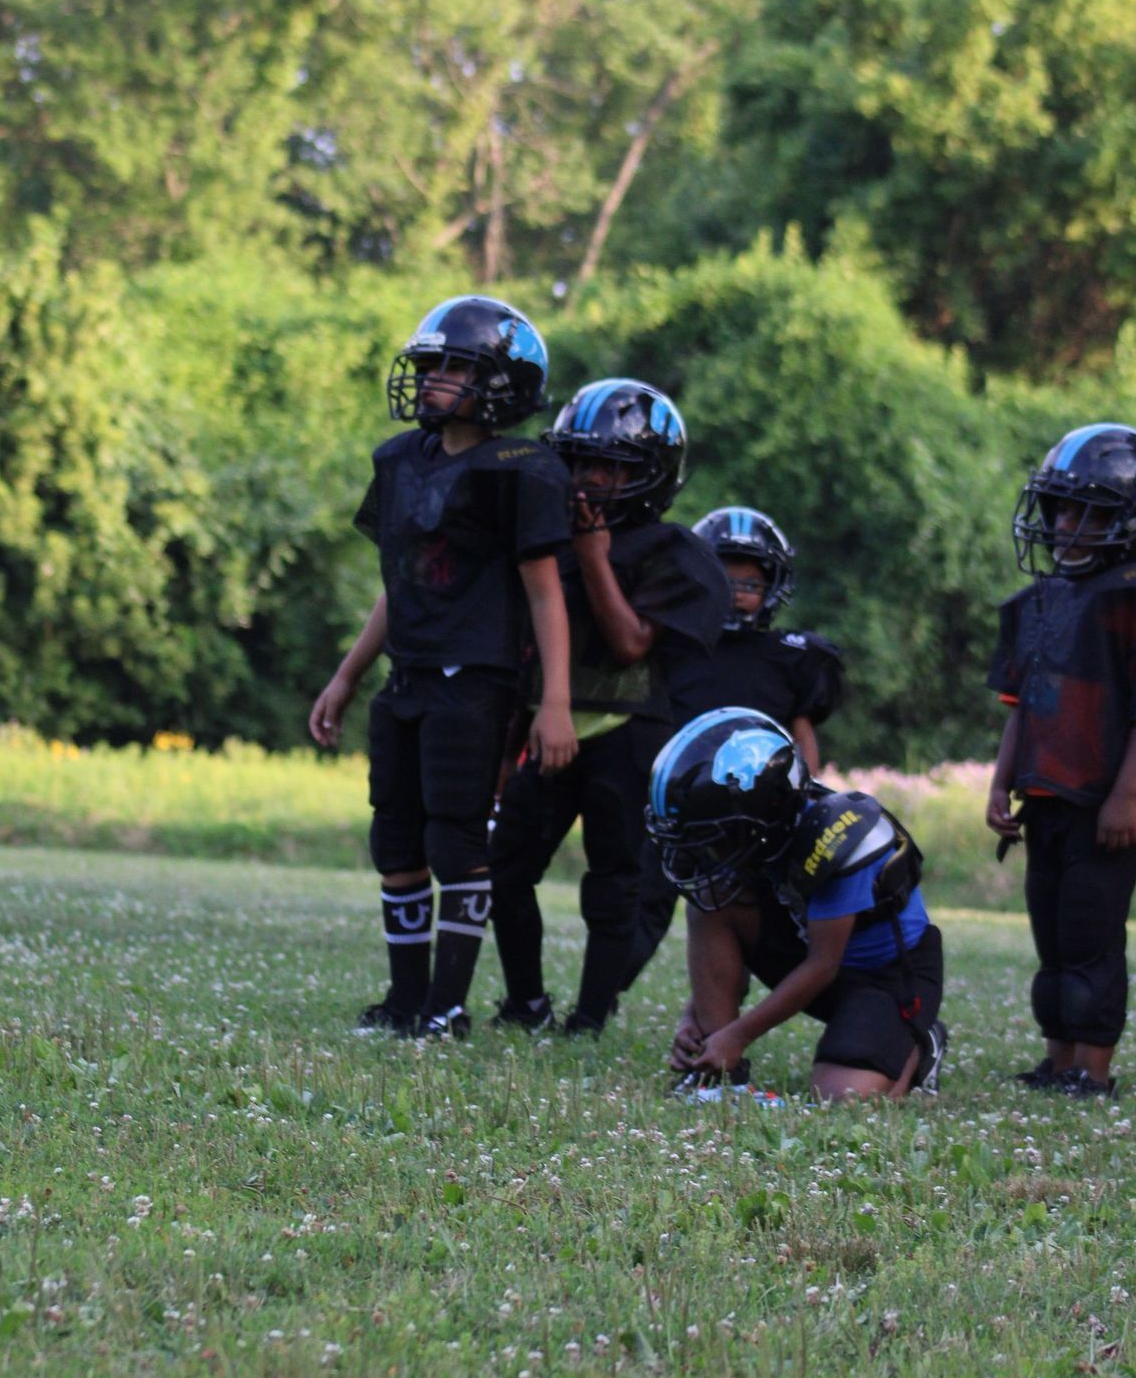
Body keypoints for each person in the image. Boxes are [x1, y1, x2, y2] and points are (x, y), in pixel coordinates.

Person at [309, 296, 577, 1039]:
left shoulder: (519, 470)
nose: (431, 379)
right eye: (429, 364)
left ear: (501, 381)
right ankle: (405, 1002)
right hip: (409, 677)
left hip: (477, 677)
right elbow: (402, 584)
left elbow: (546, 593)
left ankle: (447, 1007)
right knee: (395, 840)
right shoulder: (402, 461)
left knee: (454, 839)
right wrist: (347, 675)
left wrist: (555, 701)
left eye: (454, 366)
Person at [488, 378, 730, 1038]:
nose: (591, 478)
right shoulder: (544, 539)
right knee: (506, 869)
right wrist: (508, 748)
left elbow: (628, 644)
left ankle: (591, 1015)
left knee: (613, 883)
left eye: (611, 465)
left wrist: (595, 557)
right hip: (546, 725)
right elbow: (528, 652)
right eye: (580, 461)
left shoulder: (671, 550)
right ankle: (524, 1002)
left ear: (649, 475)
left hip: (626, 730)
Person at [986, 422, 1136, 1098]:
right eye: (1059, 507)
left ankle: (1093, 1067)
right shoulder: (1048, 598)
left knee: (1089, 929)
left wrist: (1127, 795)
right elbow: (1024, 703)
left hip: (1107, 799)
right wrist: (1002, 783)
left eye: (1086, 510)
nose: (1064, 524)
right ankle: (1058, 1059)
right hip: (1048, 791)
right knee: (1051, 929)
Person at [647, 707, 947, 1103]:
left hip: (886, 974)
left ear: (761, 812)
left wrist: (736, 1035)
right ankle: (719, 1076)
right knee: (711, 904)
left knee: (841, 1098)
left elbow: (824, 964)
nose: (709, 853)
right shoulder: (774, 825)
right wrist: (699, 1017)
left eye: (717, 838)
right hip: (815, 953)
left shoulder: (838, 833)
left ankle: (920, 1045)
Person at [626, 505, 843, 986]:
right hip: (680, 801)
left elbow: (801, 730)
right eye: (725, 582)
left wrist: (803, 792)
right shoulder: (676, 645)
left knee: (750, 906)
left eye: (749, 584)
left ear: (772, 587)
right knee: (647, 899)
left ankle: (731, 999)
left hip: (755, 813)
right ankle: (603, 995)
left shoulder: (791, 656)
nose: (737, 595)